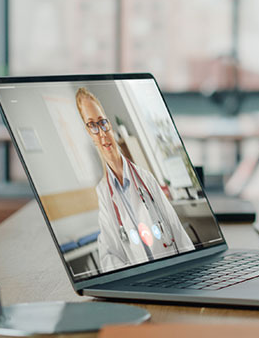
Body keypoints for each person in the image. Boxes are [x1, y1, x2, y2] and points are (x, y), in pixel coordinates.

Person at [76, 87, 194, 272]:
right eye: (92, 125)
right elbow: (108, 255)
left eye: (102, 122)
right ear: (89, 133)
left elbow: (178, 233)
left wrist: (192, 272)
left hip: (172, 274)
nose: (101, 132)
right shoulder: (104, 192)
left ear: (110, 124)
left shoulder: (145, 178)